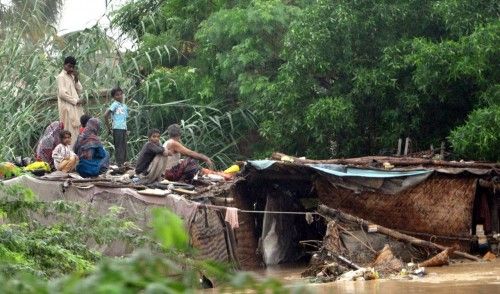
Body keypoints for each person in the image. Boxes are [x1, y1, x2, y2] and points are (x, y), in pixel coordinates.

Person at [57, 56, 84, 147]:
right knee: (69, 130)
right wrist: (75, 101)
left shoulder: (72, 76)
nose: (71, 69)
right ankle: (70, 155)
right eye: (69, 66)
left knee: (77, 130)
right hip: (67, 108)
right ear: (64, 65)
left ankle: (77, 155)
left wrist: (76, 78)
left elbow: (80, 89)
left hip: (75, 108)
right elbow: (62, 94)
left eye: (72, 67)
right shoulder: (61, 77)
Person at [104, 87, 128, 166]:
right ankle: (119, 164)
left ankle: (123, 163)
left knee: (124, 146)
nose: (120, 96)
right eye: (117, 95)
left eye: (121, 94)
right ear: (113, 97)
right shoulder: (115, 104)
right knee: (119, 147)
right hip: (117, 128)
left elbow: (124, 119)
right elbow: (105, 115)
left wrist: (126, 129)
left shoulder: (124, 106)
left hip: (123, 128)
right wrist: (108, 128)